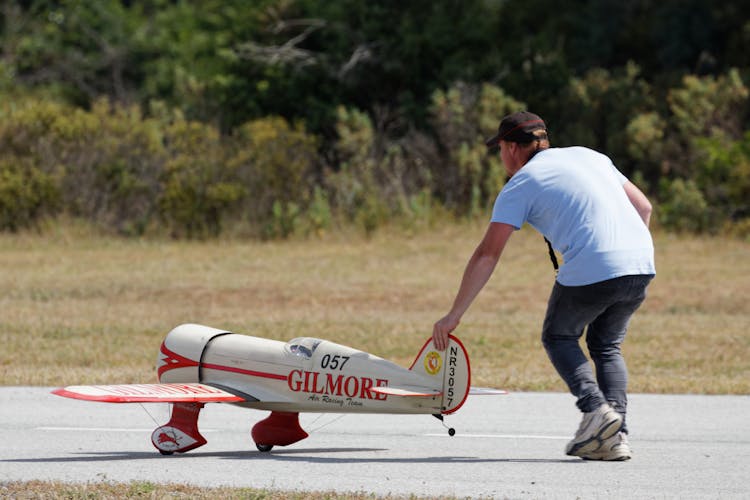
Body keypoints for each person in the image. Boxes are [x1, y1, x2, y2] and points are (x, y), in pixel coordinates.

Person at [432, 111, 655, 461]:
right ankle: (615, 435)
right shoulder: (591, 156)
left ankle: (597, 410)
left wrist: (453, 315)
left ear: (510, 147)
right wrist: (627, 252)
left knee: (559, 336)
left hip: (597, 264)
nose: (502, 158)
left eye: (500, 149)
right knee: (606, 345)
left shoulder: (522, 183)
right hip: (642, 262)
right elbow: (644, 206)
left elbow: (487, 255)